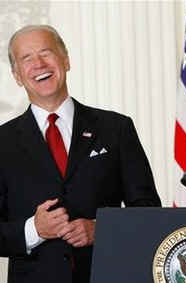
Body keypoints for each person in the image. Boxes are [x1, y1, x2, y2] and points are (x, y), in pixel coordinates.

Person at [0, 25, 161, 283]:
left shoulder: (116, 128)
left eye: (46, 52)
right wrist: (35, 229)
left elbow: (148, 210)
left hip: (106, 275)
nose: (39, 64)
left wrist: (102, 230)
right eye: (26, 58)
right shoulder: (3, 142)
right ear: (17, 75)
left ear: (66, 60)